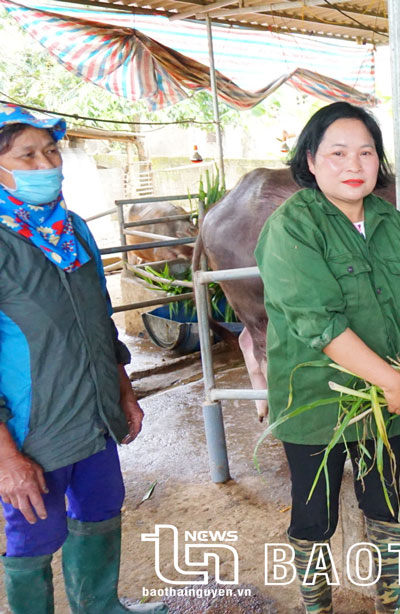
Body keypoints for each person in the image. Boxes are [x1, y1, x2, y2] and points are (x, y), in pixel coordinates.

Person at [255, 102, 400, 614]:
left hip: (385, 393)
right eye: (338, 152)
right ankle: (315, 604)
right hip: (316, 398)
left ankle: (391, 602)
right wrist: (396, 383)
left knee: (385, 500)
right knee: (313, 512)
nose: (354, 165)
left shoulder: (392, 223)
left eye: (366, 152)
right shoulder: (293, 227)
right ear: (311, 159)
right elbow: (319, 325)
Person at [0, 104, 166, 614]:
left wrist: (124, 391)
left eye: (50, 151)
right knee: (32, 538)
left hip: (93, 418)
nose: (45, 163)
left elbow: (101, 318)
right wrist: (7, 458)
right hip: (33, 430)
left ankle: (101, 606)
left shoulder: (72, 230)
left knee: (99, 511)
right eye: (26, 155)